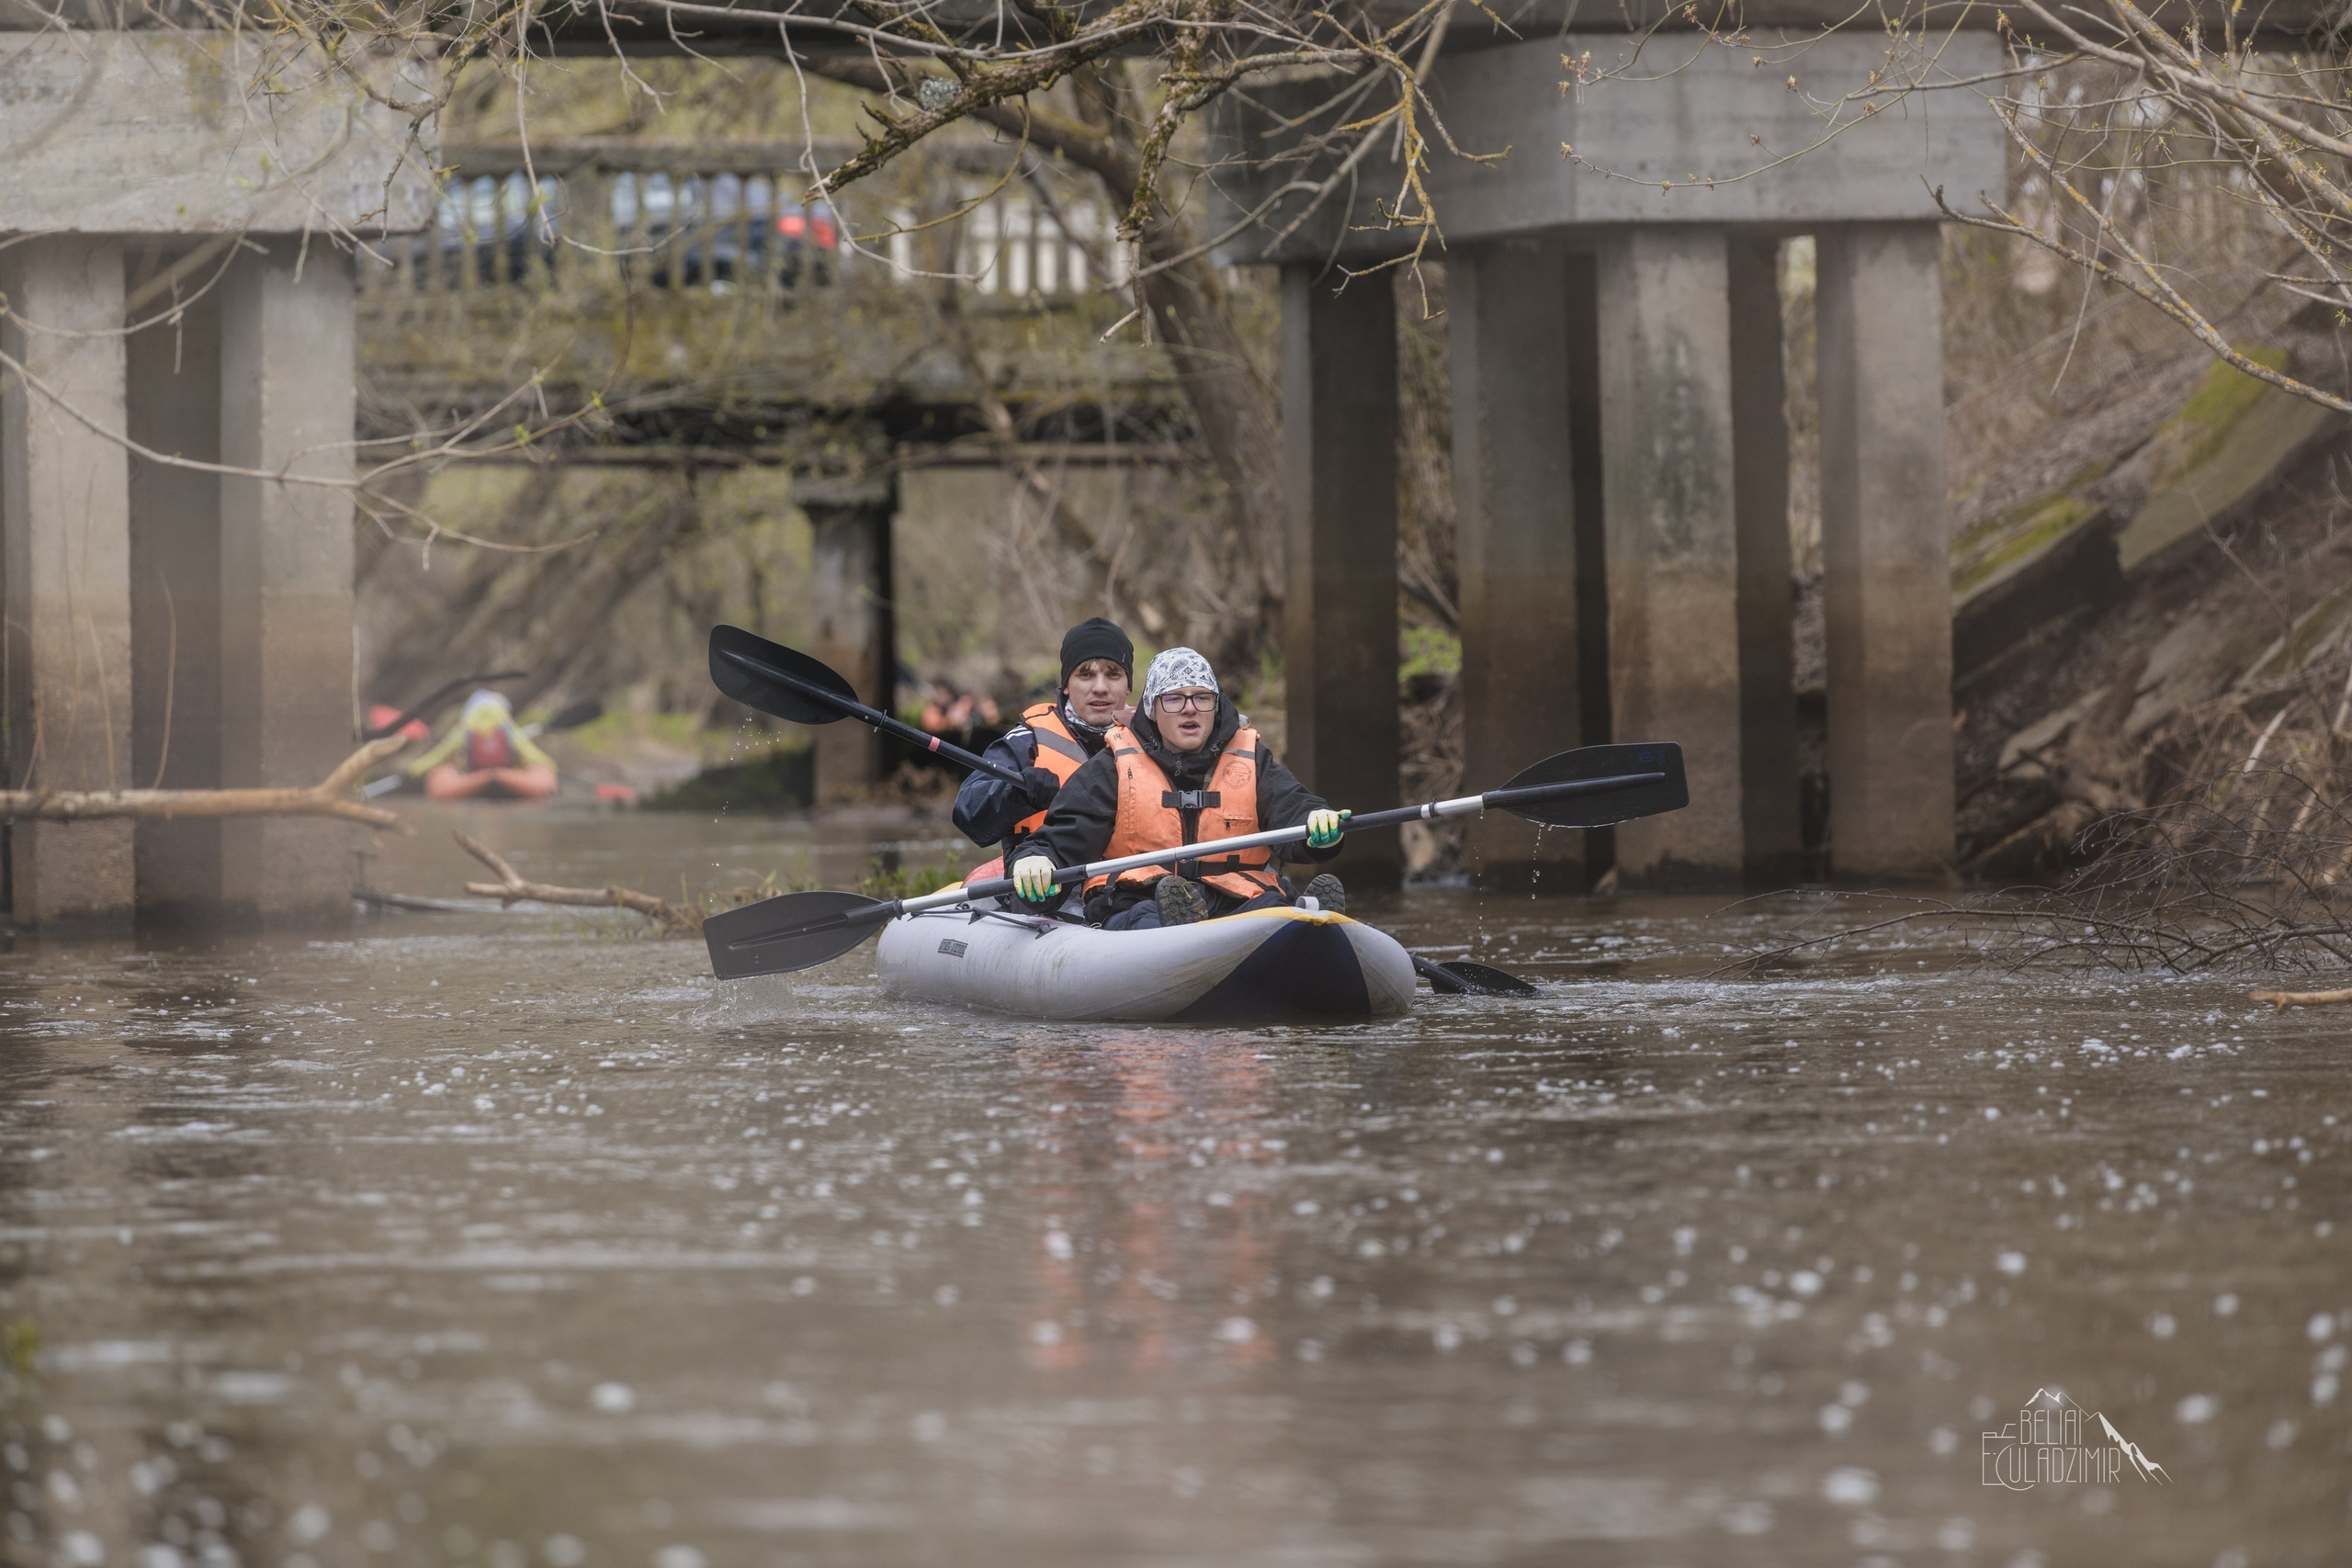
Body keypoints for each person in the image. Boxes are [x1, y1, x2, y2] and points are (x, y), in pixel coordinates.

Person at [1009, 648, 1349, 930]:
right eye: (1174, 699)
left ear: (1214, 707)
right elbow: (1063, 838)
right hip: (1141, 901)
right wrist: (1037, 860)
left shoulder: (1251, 760)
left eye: (1202, 698)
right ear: (1153, 710)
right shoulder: (1113, 767)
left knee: (1273, 907)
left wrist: (1314, 823)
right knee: (1146, 918)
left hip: (1235, 900)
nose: (1189, 708)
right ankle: (1185, 933)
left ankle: (1310, 920)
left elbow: (1292, 806)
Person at [952, 618, 1136, 867]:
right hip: (1046, 887)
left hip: (1128, 890)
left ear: (1128, 686)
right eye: (1086, 674)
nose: (1100, 688)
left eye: (1113, 674)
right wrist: (1017, 796)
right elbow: (968, 816)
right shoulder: (1028, 740)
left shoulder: (1155, 738)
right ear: (1067, 685)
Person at [405, 689, 560, 802]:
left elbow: (438, 754)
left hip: (473, 783)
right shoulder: (508, 728)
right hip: (509, 781)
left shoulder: (464, 728)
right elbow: (534, 756)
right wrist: (550, 768)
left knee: (443, 770)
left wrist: (413, 771)